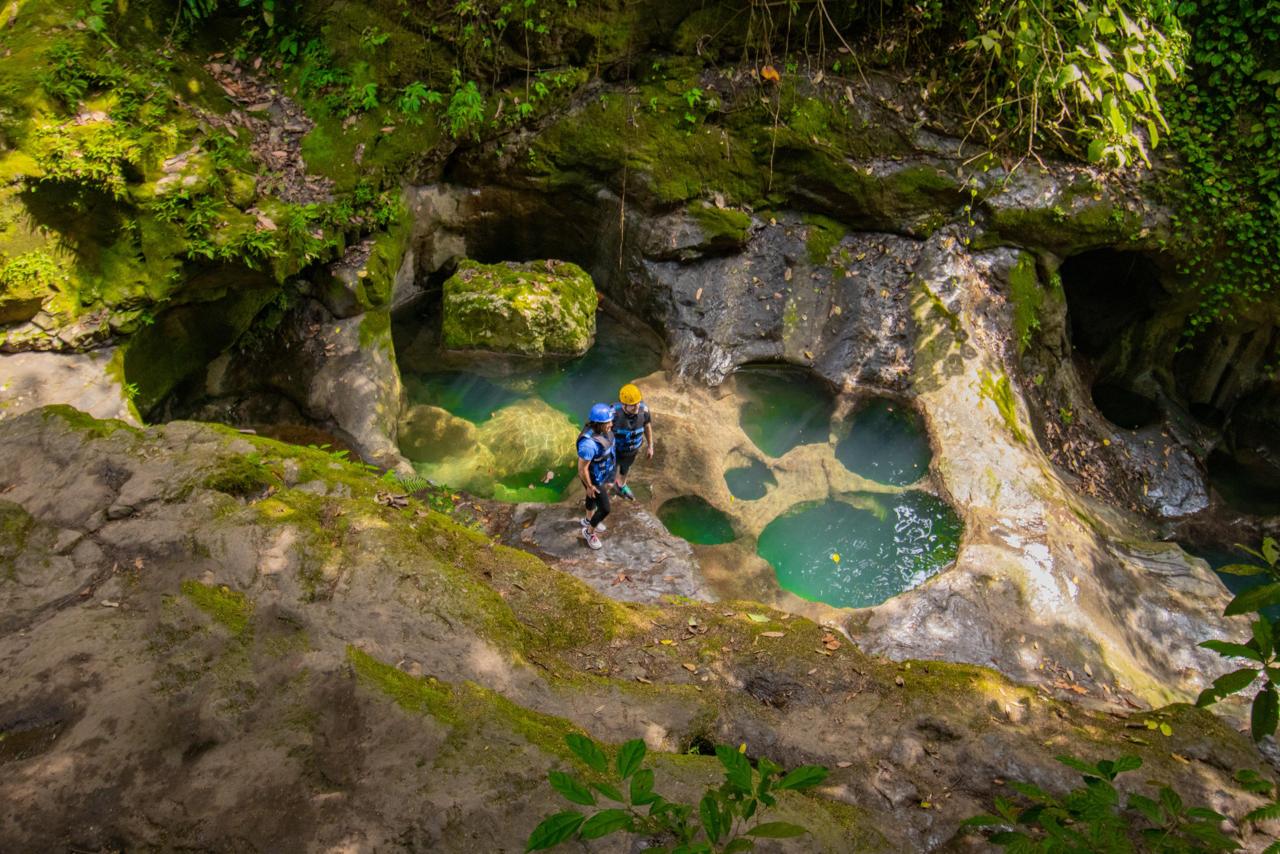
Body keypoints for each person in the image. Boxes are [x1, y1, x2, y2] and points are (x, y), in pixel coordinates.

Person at [576, 402, 617, 550]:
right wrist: (589, 486)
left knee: (591, 498)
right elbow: (582, 469)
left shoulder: (603, 431)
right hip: (592, 478)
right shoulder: (588, 445)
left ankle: (588, 520)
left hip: (600, 473)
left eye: (611, 421)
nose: (611, 424)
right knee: (605, 509)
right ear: (598, 424)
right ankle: (589, 532)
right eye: (608, 422)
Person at [611, 384, 653, 500]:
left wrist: (650, 446)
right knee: (611, 469)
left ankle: (621, 485)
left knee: (625, 468)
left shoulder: (644, 410)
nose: (636, 407)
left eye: (638, 403)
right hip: (615, 450)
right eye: (633, 405)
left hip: (632, 450)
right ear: (623, 404)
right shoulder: (613, 414)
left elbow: (647, 426)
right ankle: (611, 485)